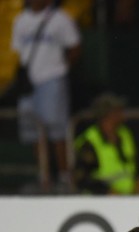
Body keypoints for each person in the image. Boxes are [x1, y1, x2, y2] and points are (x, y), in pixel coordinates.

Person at [11, 0, 81, 193]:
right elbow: (18, 51)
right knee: (33, 130)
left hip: (52, 79)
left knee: (57, 129)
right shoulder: (20, 20)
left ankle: (65, 177)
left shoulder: (60, 19)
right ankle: (44, 178)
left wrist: (61, 69)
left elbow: (75, 47)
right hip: (29, 83)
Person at [73, 93, 139, 195]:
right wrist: (106, 191)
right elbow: (82, 178)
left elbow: (138, 163)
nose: (122, 113)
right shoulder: (89, 142)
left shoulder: (125, 134)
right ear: (107, 114)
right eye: (118, 110)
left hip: (130, 198)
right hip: (100, 202)